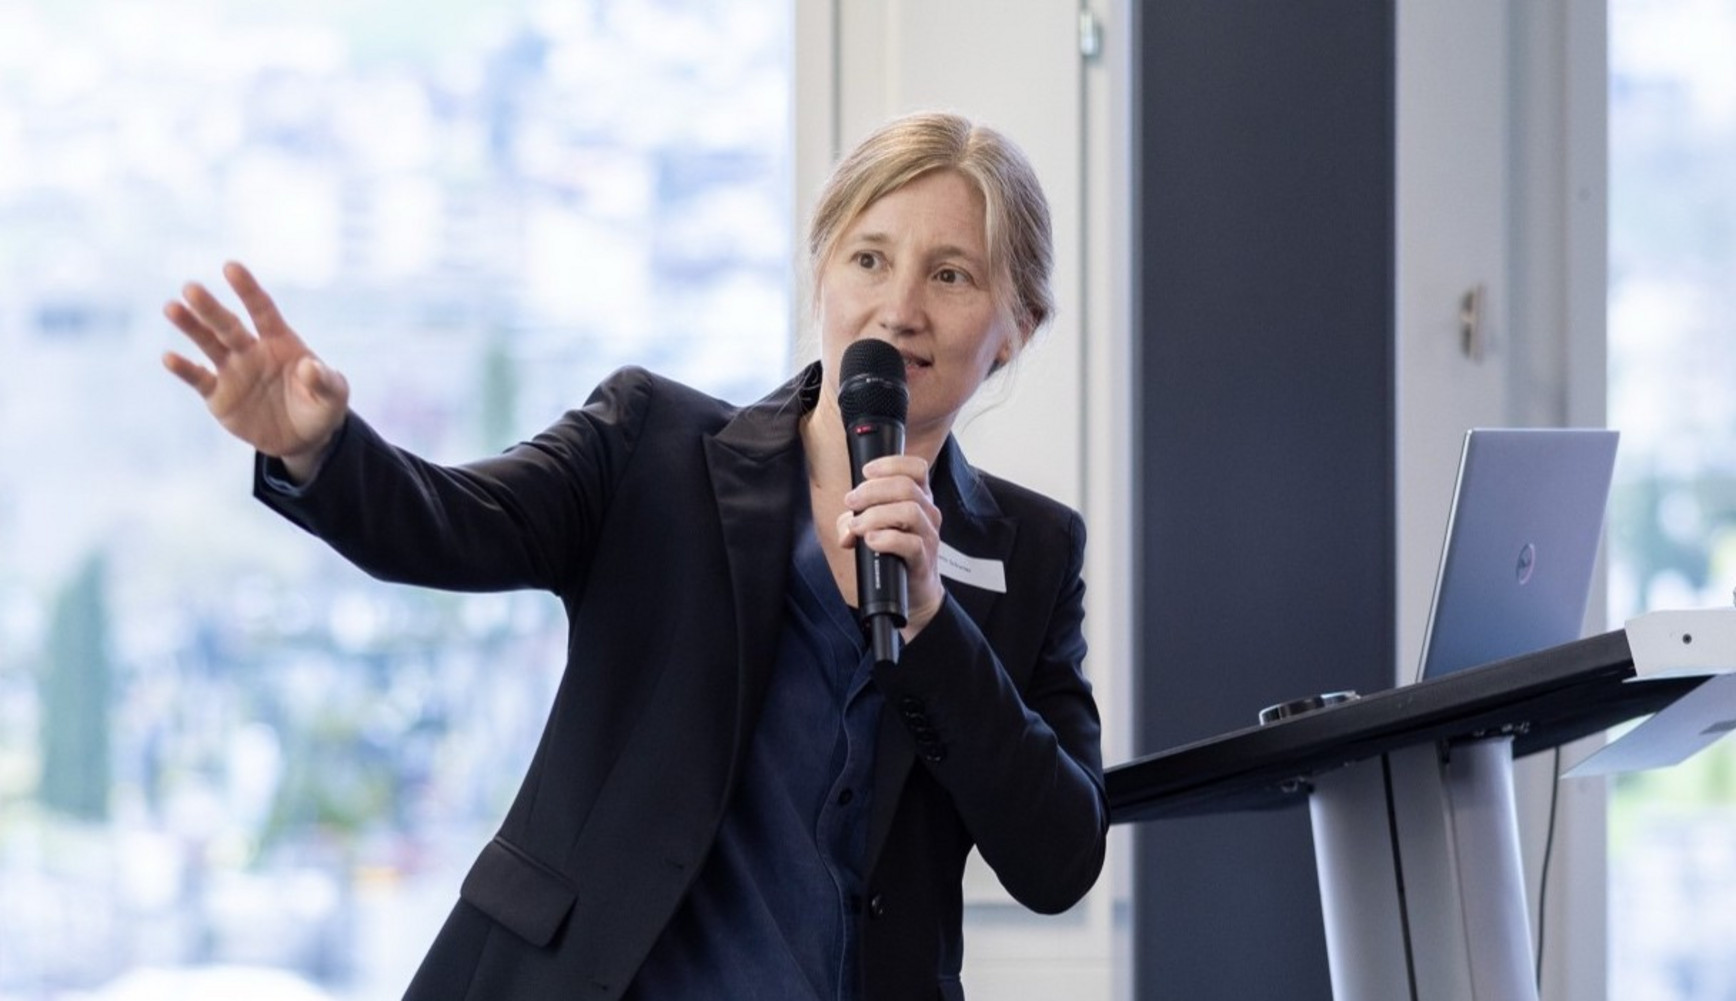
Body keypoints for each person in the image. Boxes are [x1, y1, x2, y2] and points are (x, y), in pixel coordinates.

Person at [160, 111, 1107, 1001]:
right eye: (870, 258)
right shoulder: (652, 444)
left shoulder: (1032, 551)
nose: (899, 308)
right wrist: (323, 452)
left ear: (1015, 327)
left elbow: (1060, 856)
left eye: (951, 276)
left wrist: (933, 624)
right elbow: (450, 521)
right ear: (822, 269)